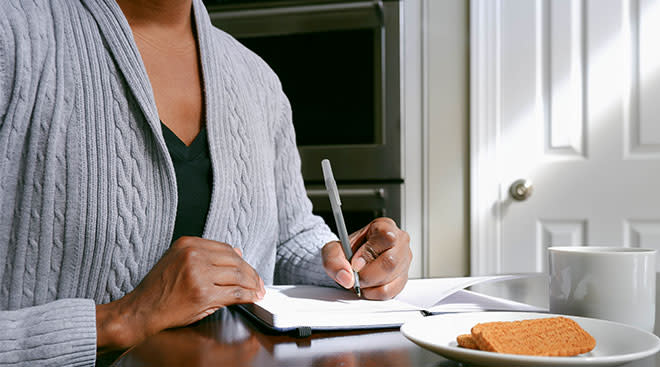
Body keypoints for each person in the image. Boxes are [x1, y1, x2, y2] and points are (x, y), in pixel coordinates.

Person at [0, 0, 412, 365]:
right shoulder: (14, 37)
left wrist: (347, 261)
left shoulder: (258, 79)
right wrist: (122, 319)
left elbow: (286, 237)